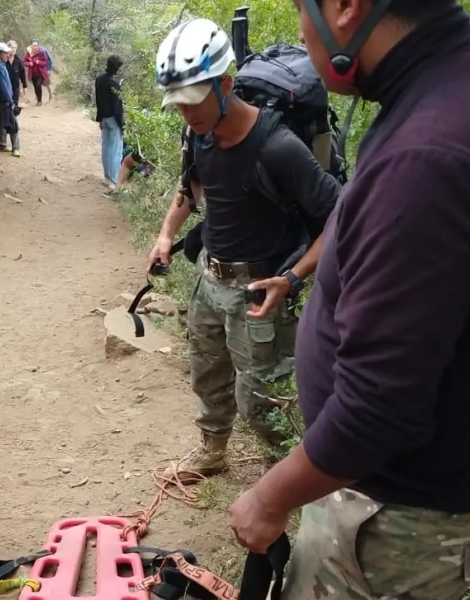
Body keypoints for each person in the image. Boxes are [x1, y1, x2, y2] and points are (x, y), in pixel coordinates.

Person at [229, 1, 470, 598]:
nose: (301, 35)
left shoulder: (431, 157)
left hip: (398, 522)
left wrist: (268, 497)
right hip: (420, 492)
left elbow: (377, 409)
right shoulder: (461, 81)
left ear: (346, 8)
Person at [147, 18, 340, 476]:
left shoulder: (277, 146)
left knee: (261, 399)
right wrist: (165, 235)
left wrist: (294, 277)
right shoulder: (200, 135)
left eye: (194, 101)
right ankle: (213, 451)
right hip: (208, 280)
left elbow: (342, 216)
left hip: (258, 292)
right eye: (178, 104)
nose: (187, 113)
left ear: (226, 85)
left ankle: (291, 472)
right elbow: (188, 188)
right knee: (207, 375)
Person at [94, 55, 125, 193]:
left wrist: (100, 118)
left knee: (106, 148)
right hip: (113, 119)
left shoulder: (99, 79)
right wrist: (122, 124)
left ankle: (107, 178)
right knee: (115, 150)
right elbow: (117, 108)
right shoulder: (114, 84)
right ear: (117, 68)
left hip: (104, 118)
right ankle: (114, 181)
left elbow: (98, 101)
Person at [0, 42, 20, 157]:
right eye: (5, 53)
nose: (8, 55)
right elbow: (3, 86)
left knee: (2, 122)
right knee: (13, 124)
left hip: (3, 99)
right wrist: (10, 101)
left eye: (8, 53)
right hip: (5, 100)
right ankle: (15, 148)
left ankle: (2, 145)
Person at [7, 40, 28, 107]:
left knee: (14, 106)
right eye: (11, 47)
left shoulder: (18, 61)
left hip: (15, 87)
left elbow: (22, 74)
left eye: (15, 48)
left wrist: (24, 86)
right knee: (6, 106)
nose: (13, 49)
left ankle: (13, 117)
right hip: (5, 87)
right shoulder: (3, 59)